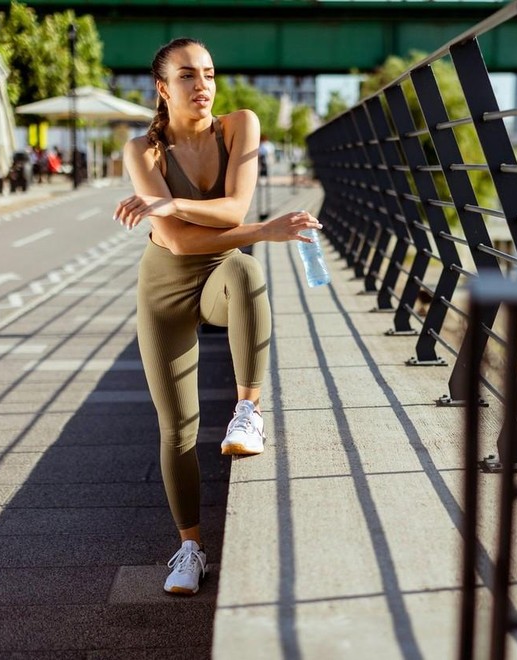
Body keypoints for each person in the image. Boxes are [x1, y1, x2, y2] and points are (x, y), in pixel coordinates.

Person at [112, 37, 322, 596]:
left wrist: (167, 202)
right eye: (186, 76)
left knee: (248, 274)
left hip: (220, 276)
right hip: (164, 291)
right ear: (163, 88)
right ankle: (189, 549)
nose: (202, 85)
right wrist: (266, 231)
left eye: (207, 73)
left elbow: (233, 209)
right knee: (176, 427)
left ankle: (247, 411)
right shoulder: (142, 152)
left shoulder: (240, 126)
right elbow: (178, 243)